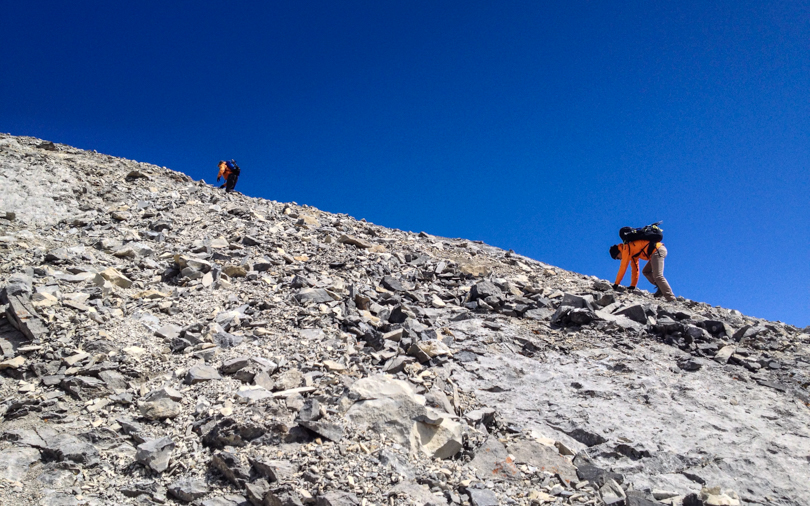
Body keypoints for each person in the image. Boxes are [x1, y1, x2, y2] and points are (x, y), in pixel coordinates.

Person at [609, 240, 675, 301]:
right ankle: (661, 288)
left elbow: (623, 268)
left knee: (658, 276)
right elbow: (635, 268)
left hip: (657, 250)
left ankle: (671, 298)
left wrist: (616, 284)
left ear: (618, 252)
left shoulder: (626, 249)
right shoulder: (631, 252)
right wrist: (633, 285)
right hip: (655, 252)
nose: (619, 259)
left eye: (617, 258)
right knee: (646, 271)